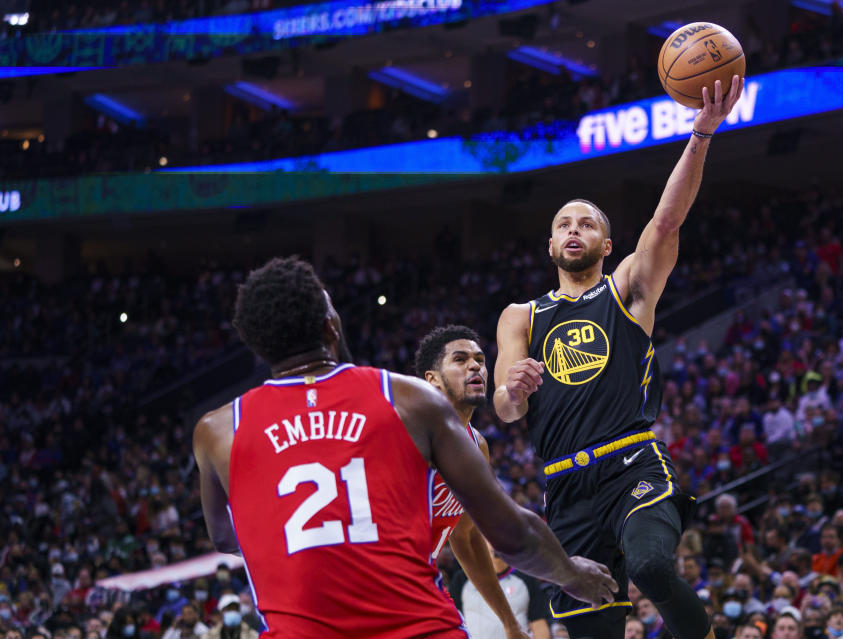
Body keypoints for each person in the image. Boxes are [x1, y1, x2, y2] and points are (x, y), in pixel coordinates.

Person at [192, 257, 616, 639]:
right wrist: (571, 572)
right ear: (331, 327)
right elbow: (511, 532)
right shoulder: (405, 400)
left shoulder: (217, 431)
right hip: (414, 624)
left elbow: (227, 537)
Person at [493, 77, 743, 639]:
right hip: (564, 486)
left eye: (587, 223)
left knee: (651, 566)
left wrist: (701, 132)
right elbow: (506, 409)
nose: (573, 229)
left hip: (631, 464)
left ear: (608, 245)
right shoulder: (521, 316)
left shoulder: (626, 289)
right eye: (563, 224)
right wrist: (516, 387)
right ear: (551, 246)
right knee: (590, 630)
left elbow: (666, 222)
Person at [414, 324, 530, 639]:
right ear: (432, 379)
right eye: (461, 359)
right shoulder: (410, 434)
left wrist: (510, 622)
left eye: (479, 358)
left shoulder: (476, 446)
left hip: (420, 582)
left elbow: (465, 537)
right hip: (376, 581)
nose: (475, 365)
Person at [448, 540, 551, 639]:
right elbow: (451, 621)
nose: (494, 543)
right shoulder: (462, 579)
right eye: (488, 537)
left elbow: (538, 624)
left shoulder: (527, 579)